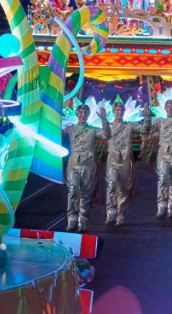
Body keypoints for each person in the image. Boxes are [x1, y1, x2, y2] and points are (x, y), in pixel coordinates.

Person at [101, 99, 145, 225]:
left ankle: (120, 213)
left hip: (125, 161)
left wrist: (147, 116)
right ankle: (110, 213)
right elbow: (104, 135)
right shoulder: (108, 126)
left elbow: (144, 129)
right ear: (114, 111)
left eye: (121, 110)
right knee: (111, 186)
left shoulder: (129, 126)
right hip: (112, 161)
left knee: (123, 189)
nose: (119, 112)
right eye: (117, 110)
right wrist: (104, 119)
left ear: (124, 112)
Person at [62, 103, 102, 232]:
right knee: (73, 191)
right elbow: (56, 131)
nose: (83, 115)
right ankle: (71, 220)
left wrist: (104, 120)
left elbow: (107, 135)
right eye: (80, 113)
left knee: (85, 194)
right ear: (77, 114)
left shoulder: (93, 130)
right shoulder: (70, 129)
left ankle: (82, 222)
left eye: (85, 113)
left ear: (88, 115)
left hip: (88, 166)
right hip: (73, 165)